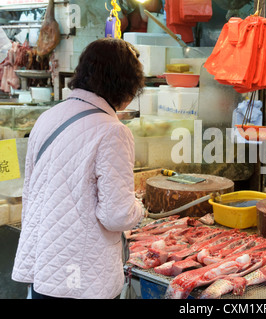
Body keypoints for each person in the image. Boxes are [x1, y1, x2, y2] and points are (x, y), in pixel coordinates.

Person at [12, 38, 145, 299]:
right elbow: (116, 215)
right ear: (125, 84)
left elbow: (31, 189)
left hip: (44, 264)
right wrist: (139, 208)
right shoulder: (113, 131)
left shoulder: (48, 116)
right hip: (80, 276)